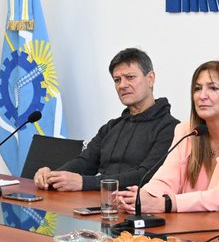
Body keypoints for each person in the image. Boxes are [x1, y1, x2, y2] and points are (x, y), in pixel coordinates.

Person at [114, 60, 219, 220]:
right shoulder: (187, 131)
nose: (202, 96)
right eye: (197, 88)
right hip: (202, 225)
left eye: (213, 88)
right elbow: (166, 179)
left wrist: (166, 204)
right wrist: (139, 198)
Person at [34, 47, 178, 192]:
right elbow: (85, 162)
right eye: (117, 80)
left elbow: (145, 176)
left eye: (130, 77)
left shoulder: (171, 128)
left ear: (150, 79)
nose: (122, 85)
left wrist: (84, 183)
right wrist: (52, 176)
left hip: (136, 209)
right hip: (99, 204)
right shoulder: (111, 127)